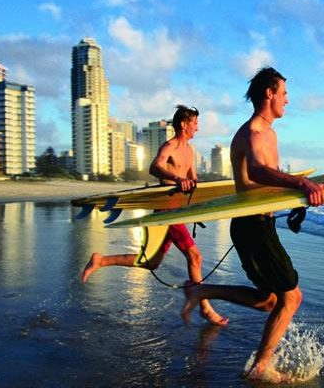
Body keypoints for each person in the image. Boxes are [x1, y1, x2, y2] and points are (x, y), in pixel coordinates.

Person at [180, 67, 324, 382]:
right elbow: (259, 172)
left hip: (258, 224)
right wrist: (301, 182)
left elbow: (265, 183)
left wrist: (302, 190)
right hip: (252, 227)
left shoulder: (268, 132)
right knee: (292, 297)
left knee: (269, 301)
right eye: (284, 93)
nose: (288, 100)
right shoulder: (255, 133)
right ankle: (262, 366)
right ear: (269, 93)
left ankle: (201, 291)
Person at [82, 105, 228, 327]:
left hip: (178, 210)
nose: (198, 127)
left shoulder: (190, 151)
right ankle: (206, 308)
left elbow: (193, 181)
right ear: (183, 124)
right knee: (195, 256)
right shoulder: (169, 146)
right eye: (195, 123)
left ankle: (101, 260)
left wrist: (204, 199)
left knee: (151, 262)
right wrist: (177, 180)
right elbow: (155, 166)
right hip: (166, 209)